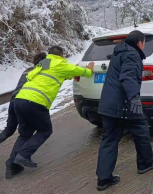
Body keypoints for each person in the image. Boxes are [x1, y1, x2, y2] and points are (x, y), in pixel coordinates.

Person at [5, 45, 94, 179]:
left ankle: (12, 167)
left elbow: (56, 75)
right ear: (61, 55)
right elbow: (83, 72)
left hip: (19, 99)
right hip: (36, 101)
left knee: (25, 134)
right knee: (45, 131)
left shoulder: (44, 63)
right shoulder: (61, 64)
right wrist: (89, 69)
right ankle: (23, 154)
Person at [95, 31, 153, 191]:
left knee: (109, 140)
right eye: (144, 43)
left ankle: (103, 179)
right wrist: (134, 97)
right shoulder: (132, 54)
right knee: (141, 130)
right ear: (139, 43)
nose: (144, 46)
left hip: (109, 105)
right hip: (125, 104)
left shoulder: (119, 52)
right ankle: (146, 163)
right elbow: (127, 77)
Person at [0, 52, 47, 163]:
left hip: (14, 101)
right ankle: (16, 159)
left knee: (10, 129)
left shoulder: (27, 70)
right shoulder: (42, 72)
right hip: (26, 101)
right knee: (28, 131)